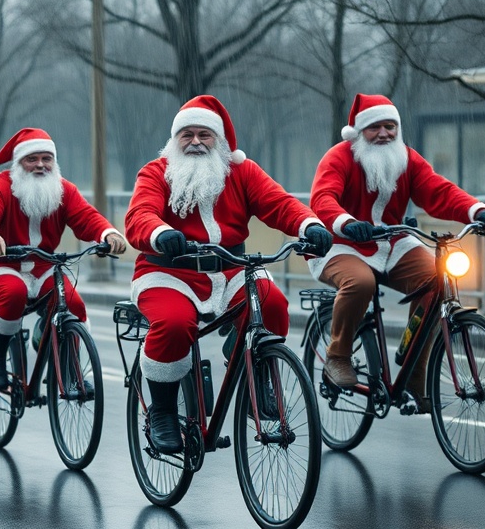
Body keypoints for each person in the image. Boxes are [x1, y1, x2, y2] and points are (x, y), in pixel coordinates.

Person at [125, 94, 333, 454]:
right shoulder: (156, 172)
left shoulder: (242, 172)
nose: (195, 142)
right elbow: (139, 215)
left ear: (219, 141)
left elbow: (279, 203)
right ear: (174, 140)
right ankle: (161, 411)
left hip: (232, 269)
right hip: (167, 272)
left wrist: (308, 224)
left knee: (273, 304)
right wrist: (161, 234)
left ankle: (260, 378)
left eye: (204, 135)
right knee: (175, 325)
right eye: (186, 134)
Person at [308, 93, 485, 408]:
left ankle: (414, 371)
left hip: (391, 242)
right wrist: (345, 222)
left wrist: (476, 211)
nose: (384, 133)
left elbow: (438, 190)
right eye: (374, 127)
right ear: (359, 132)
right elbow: (323, 198)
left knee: (435, 279)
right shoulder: (339, 157)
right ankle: (338, 356)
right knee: (361, 283)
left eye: (390, 126)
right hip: (340, 244)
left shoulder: (407, 158)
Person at [0, 127, 128, 389]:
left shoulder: (63, 189)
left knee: (74, 305)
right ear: (18, 163)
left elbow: (85, 217)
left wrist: (107, 233)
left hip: (43, 268)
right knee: (14, 292)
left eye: (47, 158)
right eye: (32, 159)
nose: (40, 165)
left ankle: (68, 371)